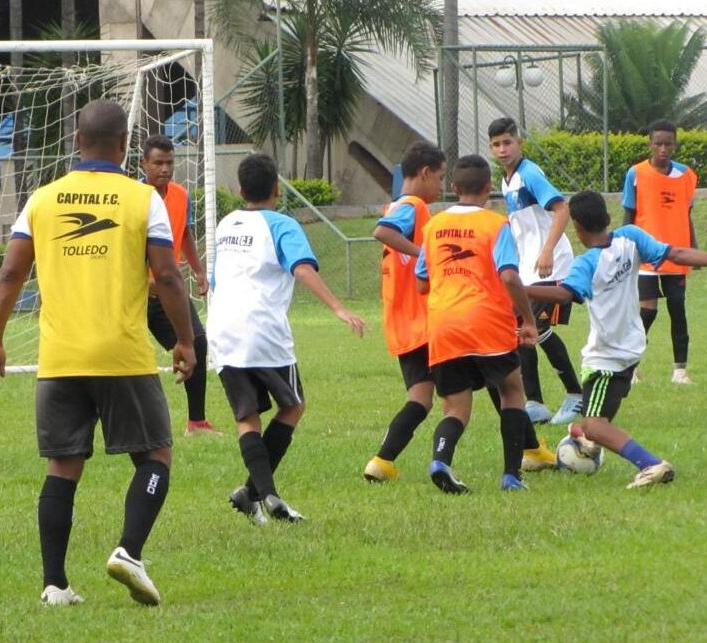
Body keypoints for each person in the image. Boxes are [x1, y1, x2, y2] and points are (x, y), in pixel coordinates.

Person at [0, 100, 196, 607]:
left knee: (62, 467)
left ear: (76, 142)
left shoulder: (42, 199)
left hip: (59, 357)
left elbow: (10, 275)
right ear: (125, 146)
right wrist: (186, 339)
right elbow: (166, 275)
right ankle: (129, 551)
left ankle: (54, 584)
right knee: (155, 455)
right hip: (121, 353)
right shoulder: (143, 198)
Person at [527, 191, 707, 488]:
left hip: (607, 358)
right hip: (632, 348)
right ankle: (586, 445)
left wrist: (522, 289)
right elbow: (676, 254)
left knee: (593, 424)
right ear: (607, 216)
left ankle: (650, 464)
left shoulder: (586, 263)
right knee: (591, 424)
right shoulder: (630, 237)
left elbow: (564, 294)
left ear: (576, 227)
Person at [207, 153, 365, 524]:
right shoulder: (283, 225)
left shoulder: (226, 224)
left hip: (222, 329)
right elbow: (302, 268)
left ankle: (252, 494)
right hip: (263, 330)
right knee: (293, 405)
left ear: (240, 190)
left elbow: (215, 281)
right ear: (277, 189)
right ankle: (268, 495)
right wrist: (339, 309)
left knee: (247, 417)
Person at [415, 155, 539, 493]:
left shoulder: (433, 226)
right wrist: (528, 319)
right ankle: (512, 475)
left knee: (455, 406)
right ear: (488, 187)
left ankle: (440, 461)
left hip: (443, 324)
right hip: (487, 321)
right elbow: (510, 276)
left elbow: (422, 282)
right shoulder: (495, 224)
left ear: (453, 188)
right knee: (511, 389)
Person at [489, 117, 583, 425]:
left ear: (520, 143)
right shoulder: (507, 179)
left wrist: (546, 250)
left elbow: (562, 208)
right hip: (529, 268)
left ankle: (575, 395)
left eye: (507, 142)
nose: (502, 149)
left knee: (537, 329)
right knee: (522, 331)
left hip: (550, 264)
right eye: (496, 144)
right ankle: (535, 402)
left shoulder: (529, 174)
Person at [362, 141, 444, 483]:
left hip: (401, 323)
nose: (440, 186)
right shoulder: (411, 205)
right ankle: (525, 451)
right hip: (423, 322)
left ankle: (382, 462)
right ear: (424, 173)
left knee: (421, 400)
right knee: (500, 379)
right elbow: (382, 232)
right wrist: (425, 254)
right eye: (439, 177)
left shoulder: (392, 205)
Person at [140, 135, 219, 436]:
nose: (164, 169)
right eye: (158, 162)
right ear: (143, 163)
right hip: (133, 294)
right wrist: (144, 279)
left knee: (196, 340)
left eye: (170, 162)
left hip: (167, 288)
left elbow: (183, 232)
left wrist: (198, 271)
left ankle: (196, 422)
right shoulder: (133, 197)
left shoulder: (180, 195)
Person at [622, 119, 698, 384]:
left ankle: (680, 370)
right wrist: (624, 248)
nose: (663, 149)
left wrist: (694, 250)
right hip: (645, 257)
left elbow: (686, 216)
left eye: (668, 144)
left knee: (678, 309)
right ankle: (630, 366)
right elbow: (628, 216)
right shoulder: (636, 174)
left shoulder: (687, 175)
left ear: (675, 145)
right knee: (648, 312)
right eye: (658, 144)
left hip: (677, 255)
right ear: (650, 144)